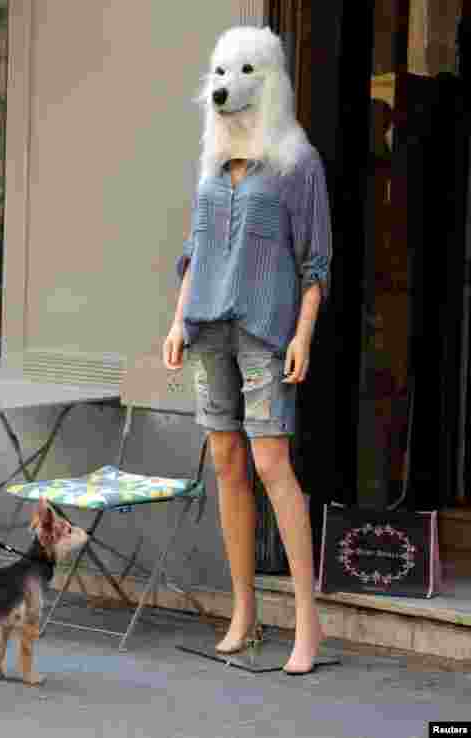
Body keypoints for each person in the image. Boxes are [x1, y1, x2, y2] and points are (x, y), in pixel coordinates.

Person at [162, 27, 332, 675]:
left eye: (242, 72)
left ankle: (307, 627)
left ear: (267, 80)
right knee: (227, 465)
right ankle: (244, 613)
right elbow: (194, 249)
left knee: (272, 468)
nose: (226, 85)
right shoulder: (211, 162)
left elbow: (315, 261)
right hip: (207, 329)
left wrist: (303, 334)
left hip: (265, 331)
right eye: (220, 72)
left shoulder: (297, 163)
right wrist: (177, 322)